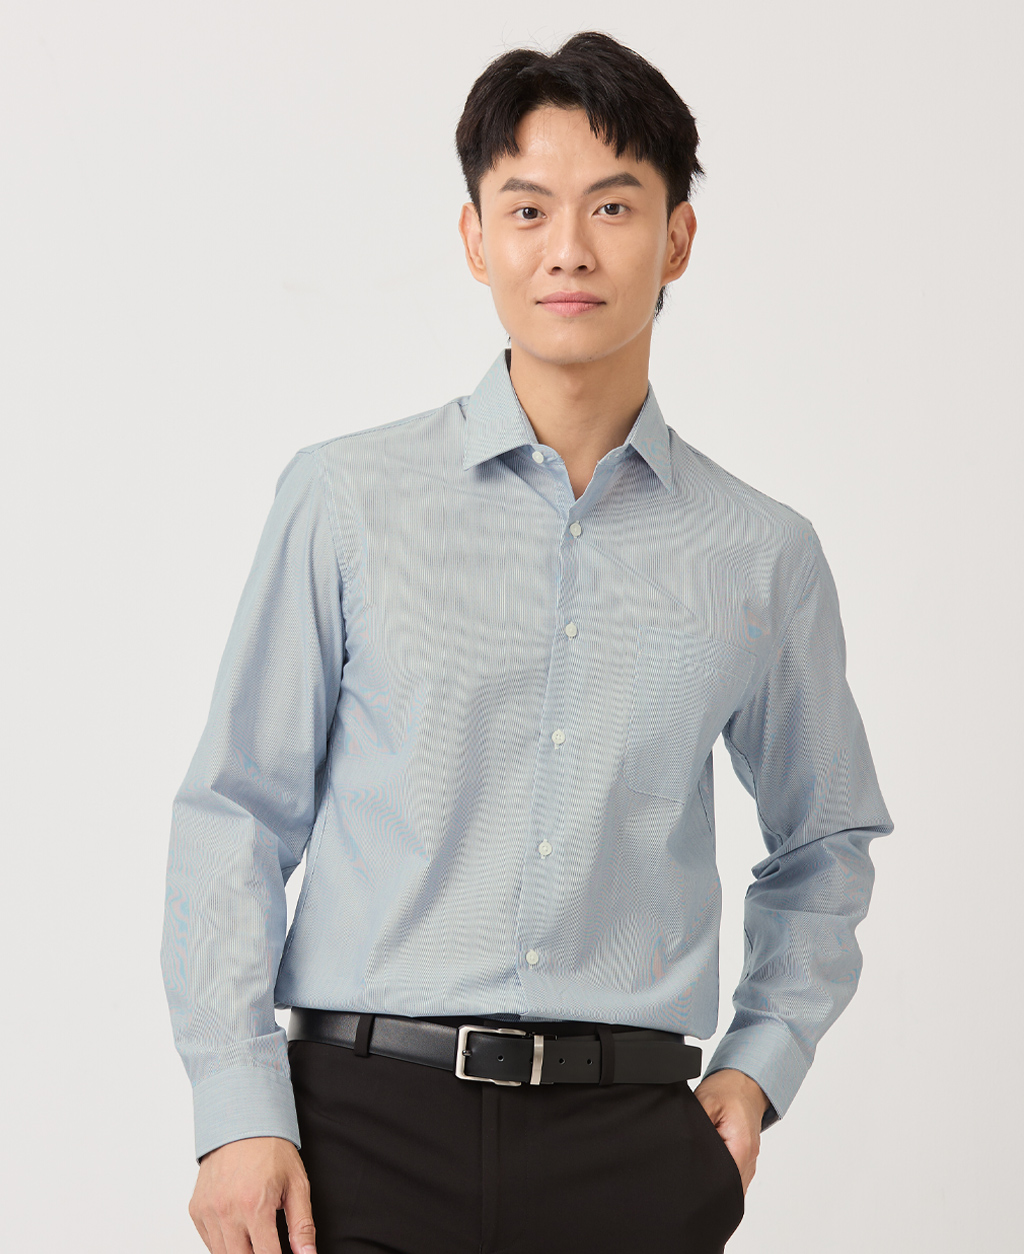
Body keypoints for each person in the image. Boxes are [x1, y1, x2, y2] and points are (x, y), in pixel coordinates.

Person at [160, 30, 893, 1254]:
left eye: (612, 205)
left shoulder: (759, 553)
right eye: (527, 208)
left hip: (628, 1148)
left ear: (676, 239)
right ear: (474, 239)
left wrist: (759, 1063)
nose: (568, 249)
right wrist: (235, 1111)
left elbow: (826, 842)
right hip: (355, 1135)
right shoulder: (345, 501)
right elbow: (235, 813)